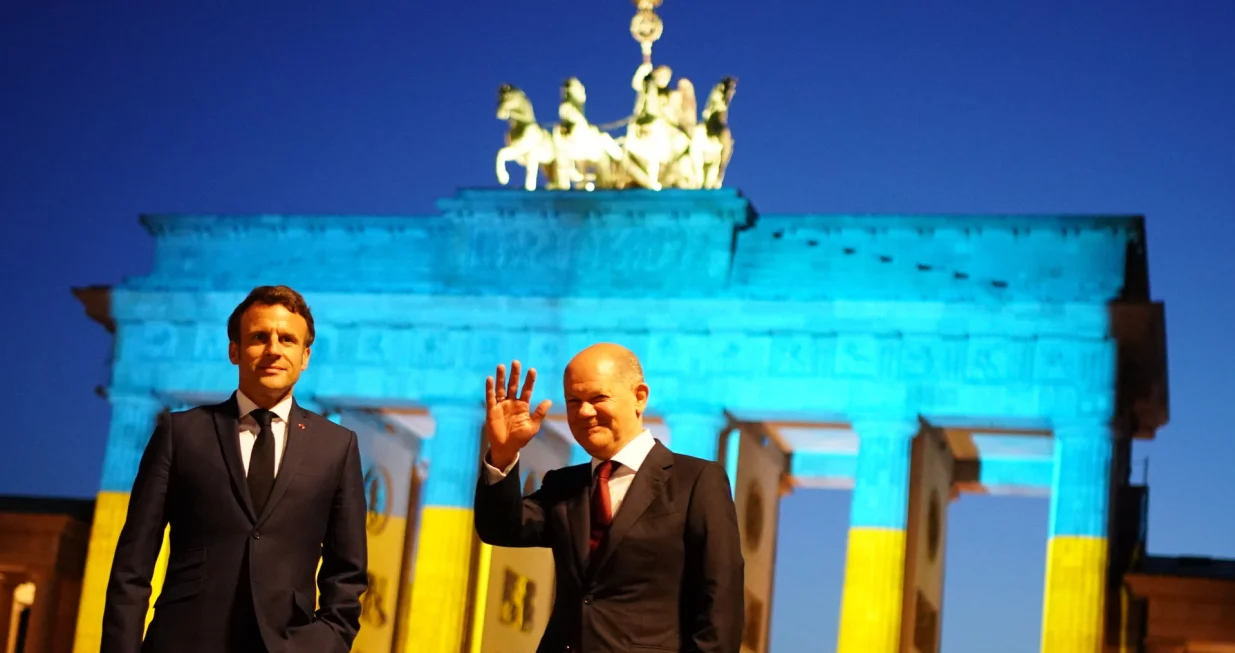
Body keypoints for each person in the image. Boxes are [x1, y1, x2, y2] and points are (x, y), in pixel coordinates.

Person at [102, 285, 368, 653]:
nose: (274, 349)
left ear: (305, 356)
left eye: (287, 339)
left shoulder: (337, 446)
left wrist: (325, 642)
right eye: (259, 337)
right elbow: (133, 566)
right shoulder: (180, 433)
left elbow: (348, 572)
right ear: (235, 350)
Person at [473, 343, 744, 652]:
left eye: (598, 398)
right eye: (573, 401)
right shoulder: (564, 485)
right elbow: (500, 528)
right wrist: (504, 454)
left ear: (639, 397)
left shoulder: (696, 481)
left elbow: (720, 602)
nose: (585, 412)